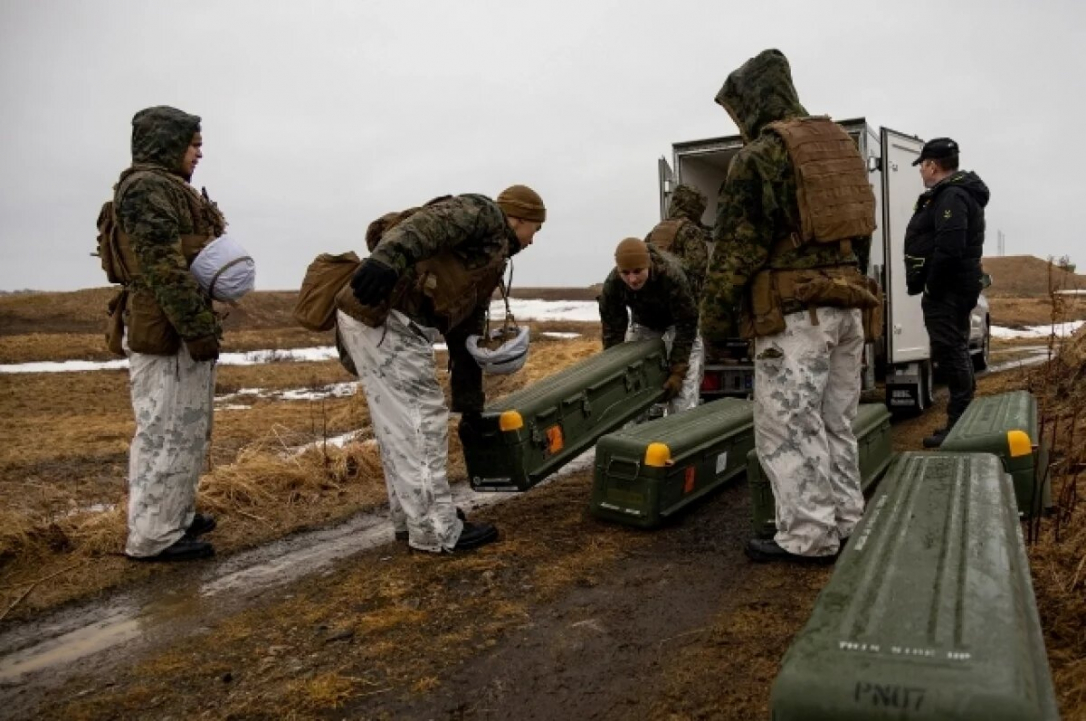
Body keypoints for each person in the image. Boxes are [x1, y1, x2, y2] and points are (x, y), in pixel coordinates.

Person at [701, 50, 877, 563]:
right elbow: (861, 231)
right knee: (836, 423)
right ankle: (846, 522)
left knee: (790, 430)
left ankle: (807, 537)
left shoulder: (761, 156)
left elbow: (735, 251)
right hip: (848, 307)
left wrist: (714, 323)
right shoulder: (837, 145)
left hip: (797, 318)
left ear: (750, 102)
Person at [336, 186, 546, 553]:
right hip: (388, 320)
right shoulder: (484, 214)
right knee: (421, 422)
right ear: (520, 218)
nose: (533, 241)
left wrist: (470, 405)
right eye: (535, 229)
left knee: (399, 426)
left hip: (379, 321)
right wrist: (388, 258)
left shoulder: (487, 257)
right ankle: (435, 529)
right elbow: (429, 224)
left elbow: (464, 333)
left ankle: (413, 519)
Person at [109, 106, 226, 561]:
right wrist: (197, 330)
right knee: (166, 428)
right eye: (192, 144)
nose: (199, 152)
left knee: (188, 426)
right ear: (166, 144)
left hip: (175, 324)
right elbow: (163, 266)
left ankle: (172, 513)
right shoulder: (145, 189)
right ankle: (154, 536)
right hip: (165, 329)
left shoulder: (169, 189)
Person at [903, 138, 990, 448]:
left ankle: (958, 427)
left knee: (951, 353)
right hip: (955, 288)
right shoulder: (954, 193)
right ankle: (961, 421)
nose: (921, 173)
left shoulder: (951, 195)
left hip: (948, 290)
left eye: (922, 167)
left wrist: (931, 285)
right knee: (956, 350)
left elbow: (950, 249)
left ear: (932, 165)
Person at [598, 238, 702, 414]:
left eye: (638, 271)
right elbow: (613, 332)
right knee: (634, 390)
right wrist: (614, 372)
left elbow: (686, 325)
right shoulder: (613, 285)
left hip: (678, 325)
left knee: (683, 395)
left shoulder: (671, 276)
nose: (632, 279)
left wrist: (677, 371)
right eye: (626, 273)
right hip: (643, 324)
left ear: (647, 266)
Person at [645, 184, 711, 300]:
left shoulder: (656, 230)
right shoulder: (691, 231)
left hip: (656, 298)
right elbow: (699, 269)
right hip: (683, 300)